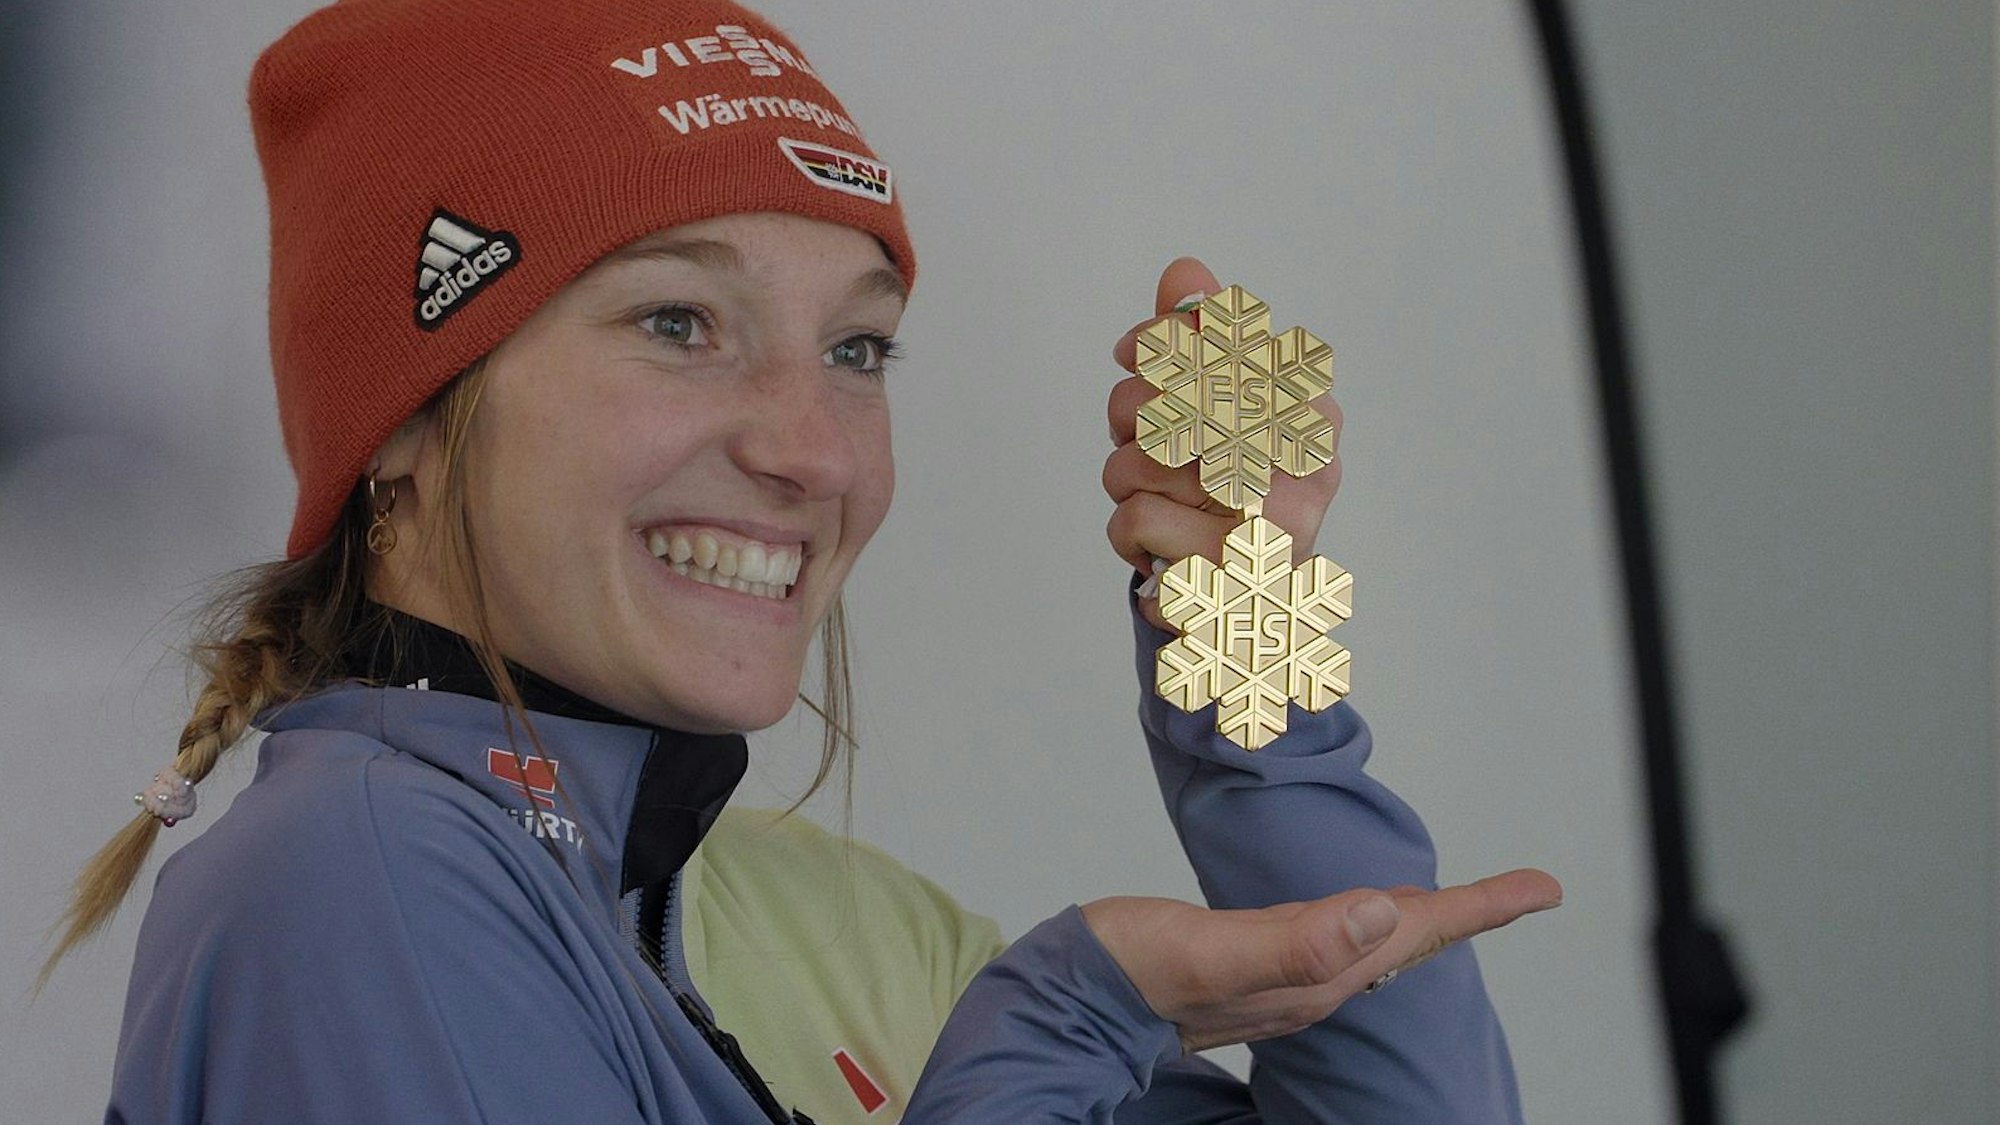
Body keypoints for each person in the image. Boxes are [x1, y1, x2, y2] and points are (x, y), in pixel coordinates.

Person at [44, 1, 1561, 1123]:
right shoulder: (351, 879)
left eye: (856, 346)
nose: (813, 449)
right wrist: (1059, 1018)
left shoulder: (802, 917)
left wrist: (1252, 669)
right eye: (677, 323)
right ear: (402, 428)